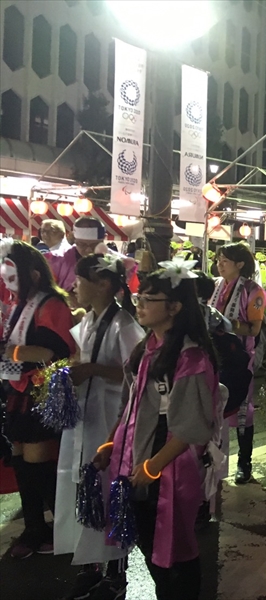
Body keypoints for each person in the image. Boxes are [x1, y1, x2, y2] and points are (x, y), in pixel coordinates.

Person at [93, 264, 220, 600]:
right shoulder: (147, 347)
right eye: (140, 297)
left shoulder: (190, 357)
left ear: (174, 307)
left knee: (174, 548)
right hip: (143, 457)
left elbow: (191, 427)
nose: (140, 305)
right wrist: (110, 443)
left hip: (168, 463)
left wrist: (152, 467)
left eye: (149, 299)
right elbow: (130, 406)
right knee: (152, 546)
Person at [53, 255, 144, 599]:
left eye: (79, 280)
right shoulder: (90, 319)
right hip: (86, 417)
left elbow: (136, 375)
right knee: (86, 488)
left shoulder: (123, 324)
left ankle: (116, 573)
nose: (73, 286)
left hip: (109, 419)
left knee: (110, 492)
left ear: (103, 284)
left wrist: (91, 370)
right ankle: (91, 563)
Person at [0, 241, 76, 559]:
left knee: (39, 467)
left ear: (32, 274)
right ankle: (35, 529)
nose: (7, 282)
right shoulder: (19, 303)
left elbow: (53, 351)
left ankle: (66, 529)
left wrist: (9, 351)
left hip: (42, 392)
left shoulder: (50, 304)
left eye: (12, 275)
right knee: (21, 463)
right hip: (19, 391)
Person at [207, 242, 266, 484]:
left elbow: (254, 329)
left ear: (240, 264)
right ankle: (214, 460)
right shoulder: (215, 285)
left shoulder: (253, 291)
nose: (219, 265)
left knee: (243, 409)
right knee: (213, 407)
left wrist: (226, 324)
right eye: (218, 260)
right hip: (215, 356)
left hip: (240, 357)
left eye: (225, 261)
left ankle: (245, 462)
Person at [46, 217, 107, 295]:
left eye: (95, 245)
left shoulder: (116, 261)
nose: (88, 250)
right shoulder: (55, 260)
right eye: (82, 245)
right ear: (74, 239)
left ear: (104, 239)